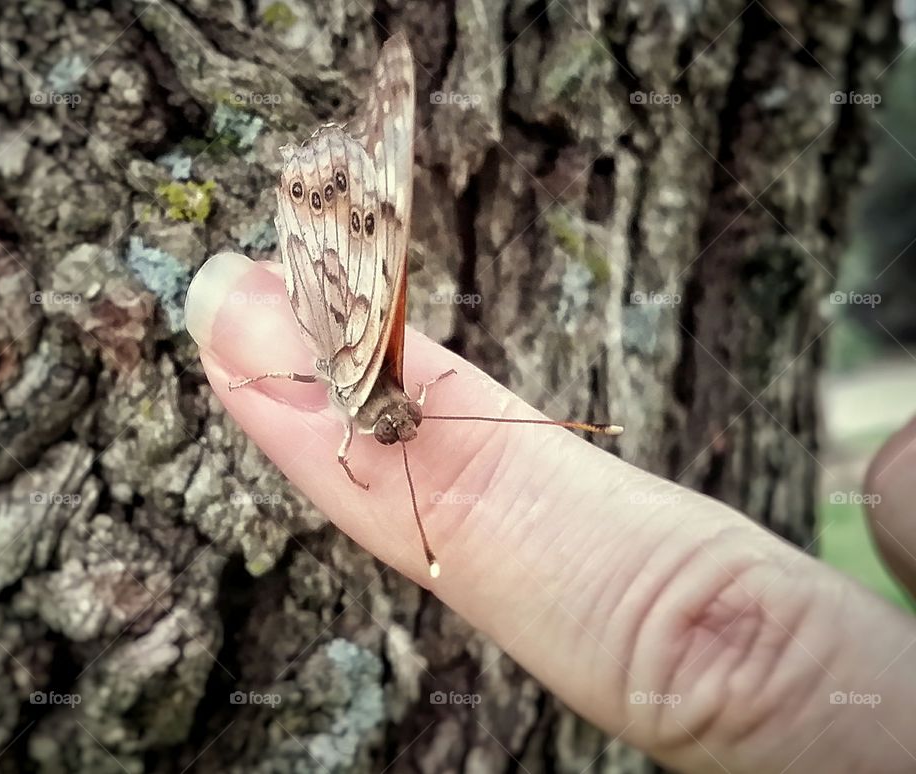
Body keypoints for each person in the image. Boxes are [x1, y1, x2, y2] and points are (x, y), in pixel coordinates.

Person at [185, 251, 916, 773]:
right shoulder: (378, 399)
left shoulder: (392, 406)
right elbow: (367, 425)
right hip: (331, 270)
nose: (400, 429)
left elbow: (402, 409)